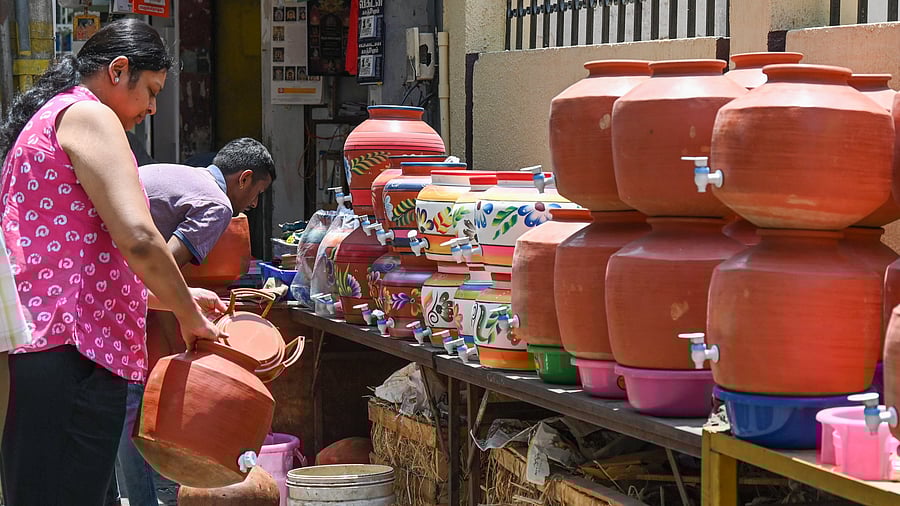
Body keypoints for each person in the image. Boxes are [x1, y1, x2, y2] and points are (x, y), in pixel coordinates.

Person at [0, 19, 224, 505]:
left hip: (51, 354)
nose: (151, 108)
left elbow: (79, 263)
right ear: (118, 71)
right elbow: (140, 238)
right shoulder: (89, 115)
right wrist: (191, 319)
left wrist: (174, 300)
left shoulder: (57, 118)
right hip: (70, 356)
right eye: (150, 90)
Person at [107, 137, 275, 505]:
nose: (255, 204)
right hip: (109, 287)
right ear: (244, 178)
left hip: (91, 273)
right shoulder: (217, 204)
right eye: (258, 192)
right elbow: (161, 266)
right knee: (129, 397)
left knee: (110, 400)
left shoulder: (183, 176)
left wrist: (186, 302)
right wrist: (187, 312)